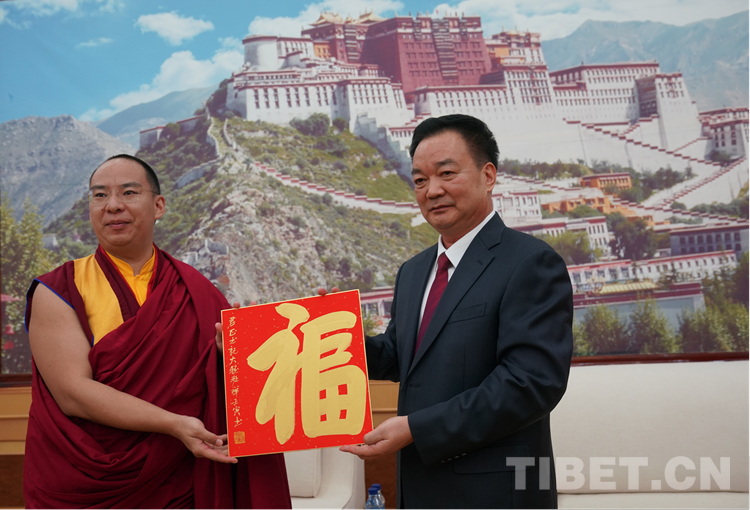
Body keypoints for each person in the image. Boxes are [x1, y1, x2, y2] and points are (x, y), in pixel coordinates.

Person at [24, 154, 291, 509]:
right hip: (86, 477)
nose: (112, 206)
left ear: (159, 206)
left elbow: (242, 382)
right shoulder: (59, 289)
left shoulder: (196, 290)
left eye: (128, 192)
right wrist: (174, 424)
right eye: (100, 195)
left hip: (180, 475)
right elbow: (72, 393)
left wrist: (225, 358)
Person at [340, 115, 574, 509]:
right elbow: (399, 355)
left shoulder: (530, 262)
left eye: (446, 173)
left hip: (495, 493)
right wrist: (330, 340)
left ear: (488, 175)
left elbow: (530, 384)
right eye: (419, 180)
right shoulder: (413, 271)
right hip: (418, 487)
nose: (432, 191)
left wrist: (417, 428)